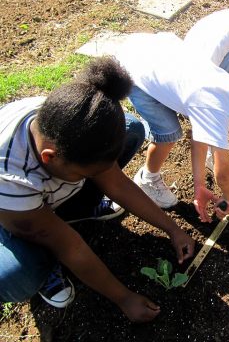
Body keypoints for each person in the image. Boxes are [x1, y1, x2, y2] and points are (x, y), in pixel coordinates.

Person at [0, 57, 195, 322]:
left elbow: (115, 182)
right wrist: (124, 298)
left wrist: (172, 228)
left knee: (131, 128)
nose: (94, 178)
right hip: (10, 216)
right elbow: (70, 246)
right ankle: (43, 266)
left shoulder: (66, 122)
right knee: (18, 273)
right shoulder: (13, 178)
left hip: (43, 193)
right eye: (85, 175)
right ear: (49, 157)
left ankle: (76, 210)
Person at [114, 32, 229, 223]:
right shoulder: (215, 109)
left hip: (151, 48)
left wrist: (199, 185)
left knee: (175, 124)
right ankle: (147, 179)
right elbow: (223, 172)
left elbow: (198, 140)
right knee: (169, 133)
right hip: (133, 70)